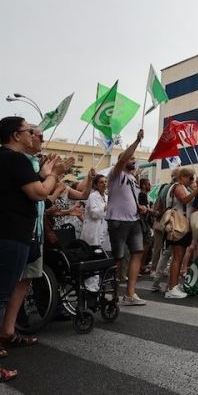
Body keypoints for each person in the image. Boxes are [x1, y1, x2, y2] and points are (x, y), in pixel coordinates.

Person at [0, 117, 65, 387]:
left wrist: (45, 171)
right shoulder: (15, 159)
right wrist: (53, 175)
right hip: (8, 237)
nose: (34, 135)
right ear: (17, 135)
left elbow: (26, 186)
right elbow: (39, 192)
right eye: (30, 131)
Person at [104, 128, 148, 307]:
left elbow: (129, 197)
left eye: (134, 158)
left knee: (137, 253)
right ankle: (112, 293)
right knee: (118, 257)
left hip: (133, 220)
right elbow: (122, 159)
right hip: (118, 220)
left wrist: (140, 207)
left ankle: (130, 294)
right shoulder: (116, 174)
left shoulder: (131, 178)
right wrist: (137, 142)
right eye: (131, 158)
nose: (134, 160)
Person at [163, 167, 198, 299]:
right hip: (178, 225)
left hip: (183, 225)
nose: (190, 180)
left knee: (178, 257)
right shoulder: (177, 187)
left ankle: (173, 285)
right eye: (189, 178)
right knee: (177, 257)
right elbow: (184, 200)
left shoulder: (184, 187)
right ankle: (171, 288)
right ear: (182, 177)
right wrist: (197, 190)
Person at [80, 175, 109, 248]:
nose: (104, 184)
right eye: (101, 182)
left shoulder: (107, 197)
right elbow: (94, 213)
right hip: (93, 229)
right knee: (92, 252)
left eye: (105, 181)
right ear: (96, 185)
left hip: (104, 228)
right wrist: (105, 208)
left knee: (103, 253)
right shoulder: (92, 196)